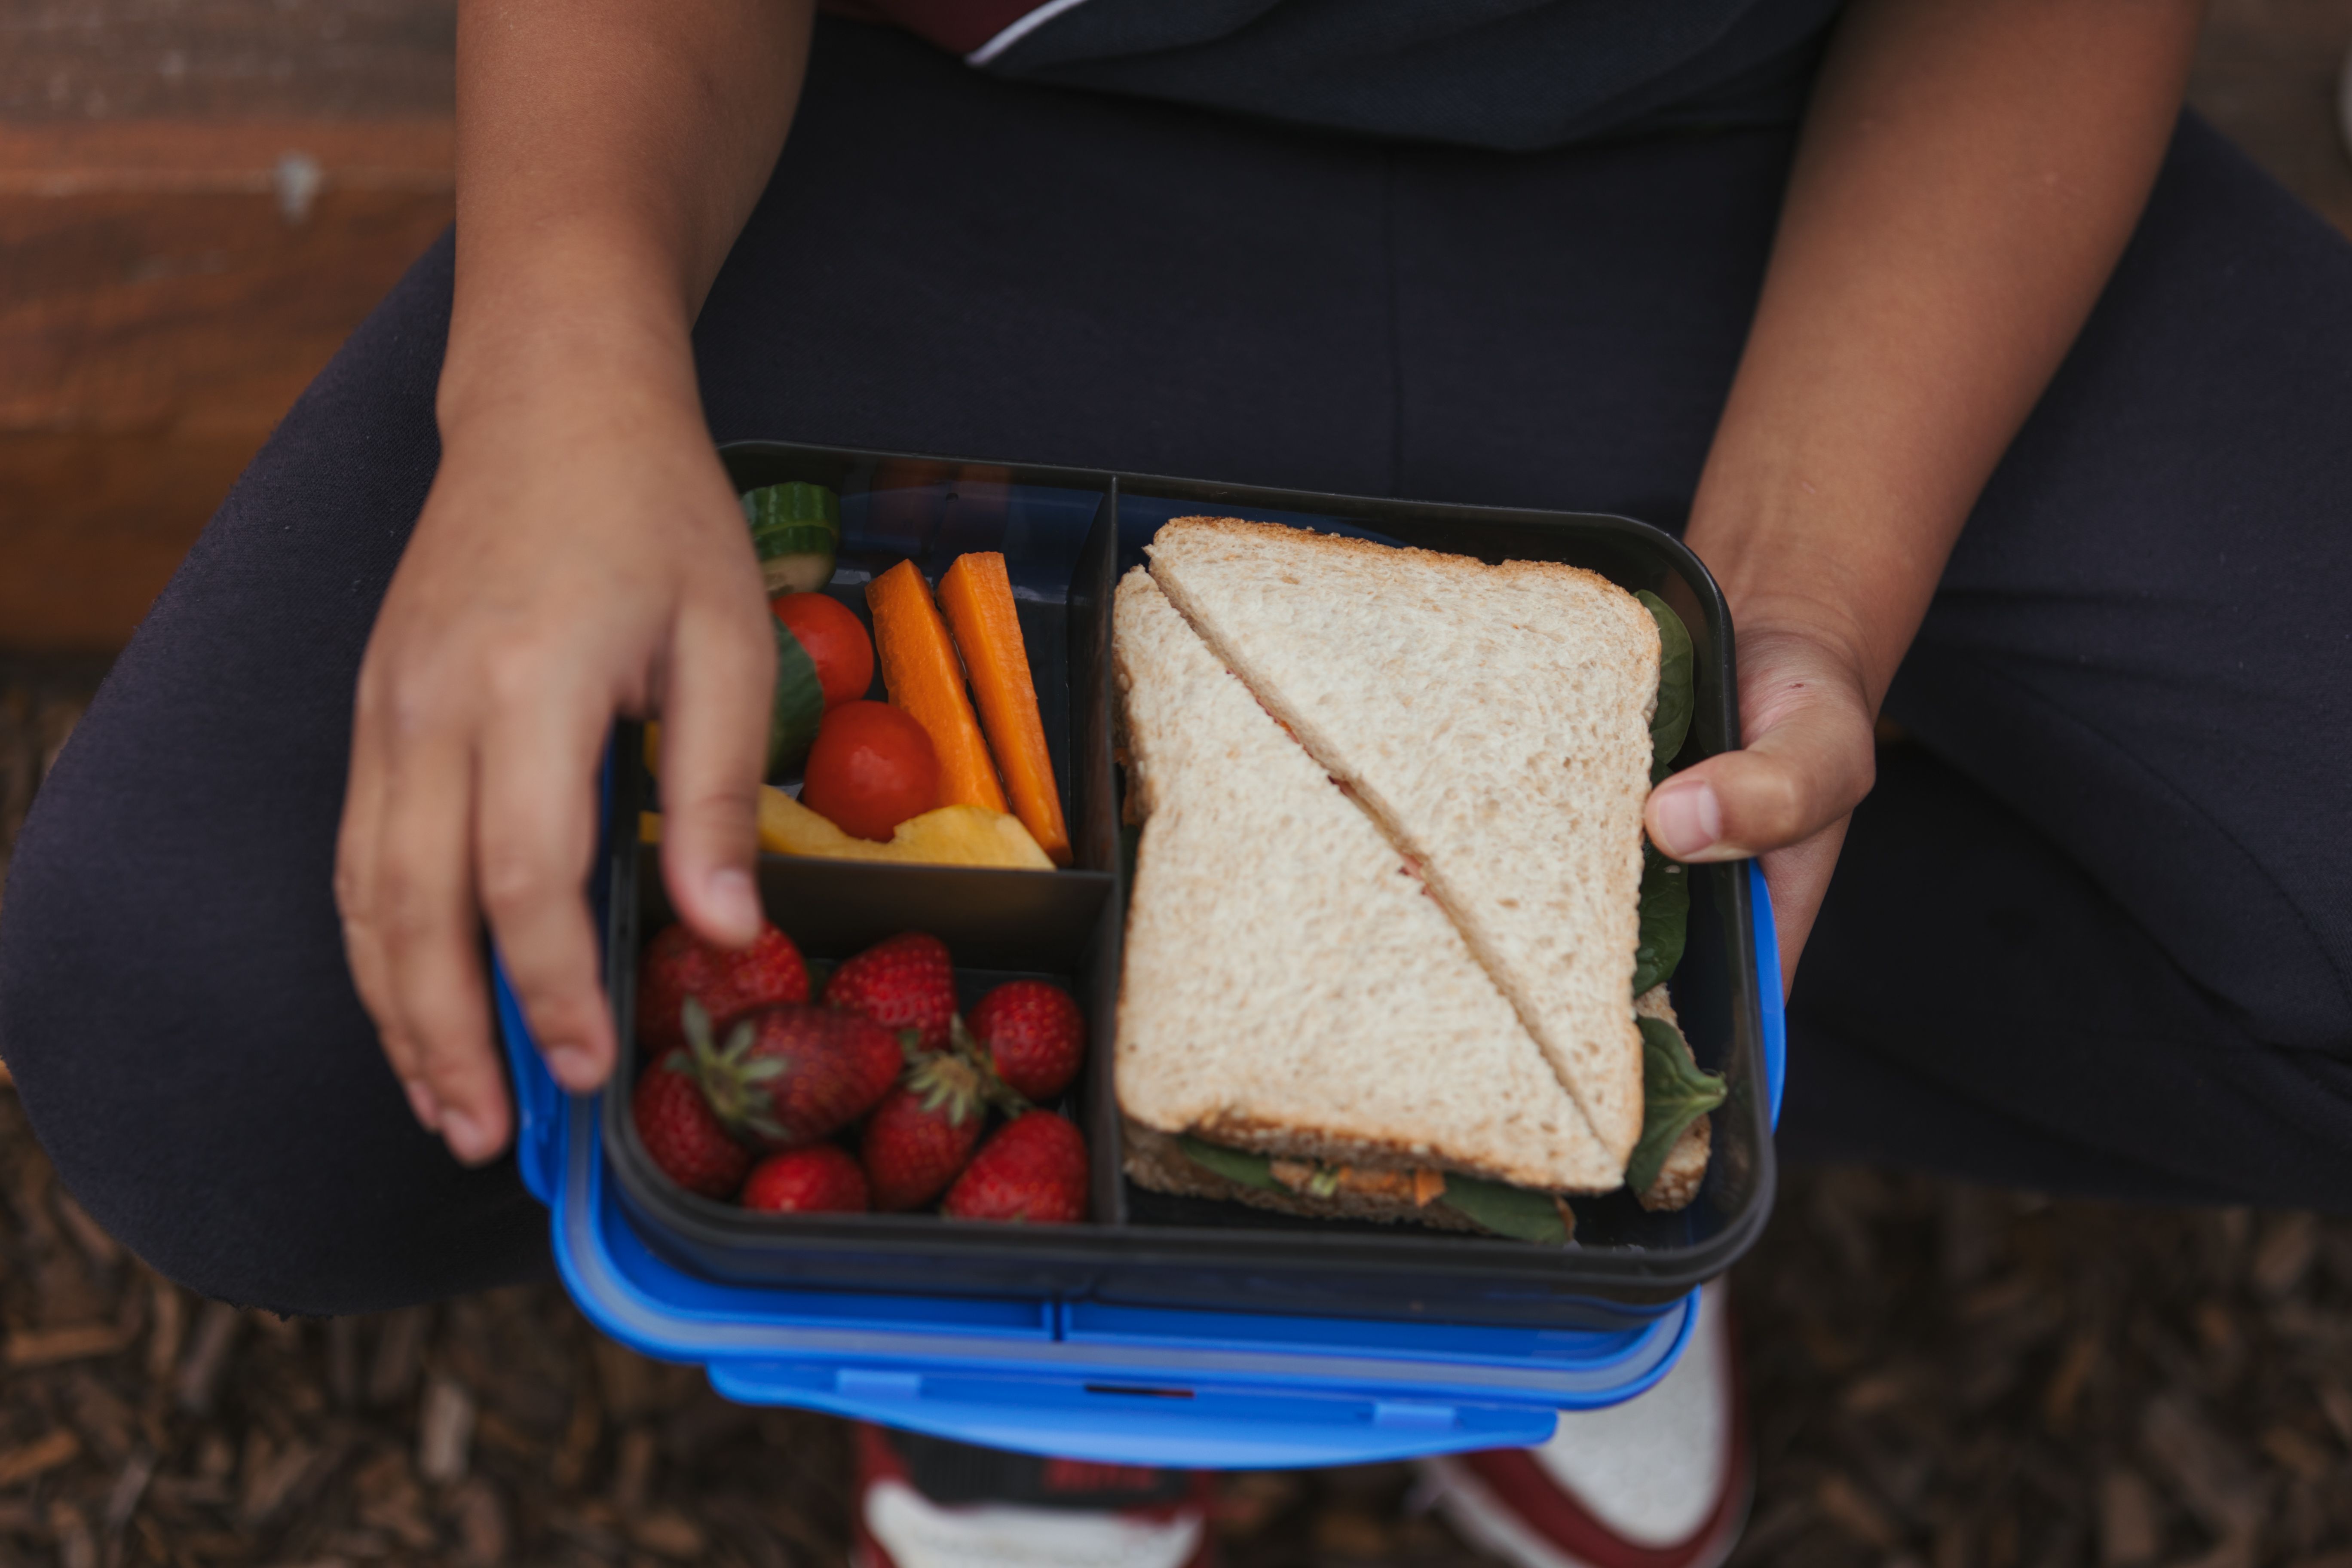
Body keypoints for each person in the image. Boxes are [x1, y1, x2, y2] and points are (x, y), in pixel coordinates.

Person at [3, 0, 2347, 1563]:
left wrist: (1804, 617)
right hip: (952, 141)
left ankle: (1531, 1077)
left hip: (1784, 164)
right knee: (208, 1035)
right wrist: (557, 359)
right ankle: (1267, 1163)